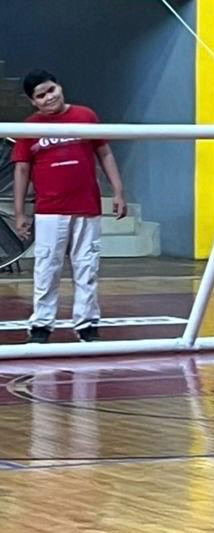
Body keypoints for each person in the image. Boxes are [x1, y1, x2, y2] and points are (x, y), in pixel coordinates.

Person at [11, 70, 127, 344]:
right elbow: (21, 171)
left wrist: (119, 192)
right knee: (47, 268)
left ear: (60, 87)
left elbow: (105, 153)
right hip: (50, 211)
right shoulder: (29, 128)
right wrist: (18, 212)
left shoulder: (85, 116)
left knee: (87, 267)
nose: (48, 97)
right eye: (41, 95)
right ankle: (41, 326)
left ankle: (87, 325)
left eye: (51, 90)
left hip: (87, 208)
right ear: (33, 102)